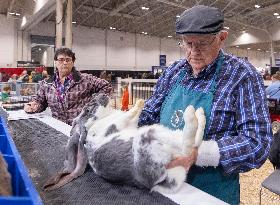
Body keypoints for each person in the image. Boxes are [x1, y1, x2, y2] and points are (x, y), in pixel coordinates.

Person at [138, 5, 272, 205]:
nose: (193, 52)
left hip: (210, 192)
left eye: (202, 43)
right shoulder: (174, 72)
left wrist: (199, 154)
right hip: (161, 183)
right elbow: (148, 116)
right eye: (187, 43)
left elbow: (257, 143)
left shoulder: (242, 76)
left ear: (222, 37)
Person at [24, 47, 112, 125]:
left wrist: (94, 105)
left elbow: (106, 86)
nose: (65, 62)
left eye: (68, 60)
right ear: (55, 62)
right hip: (59, 128)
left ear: (73, 62)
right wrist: (33, 106)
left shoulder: (85, 79)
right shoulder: (46, 84)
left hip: (81, 127)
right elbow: (39, 101)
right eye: (61, 60)